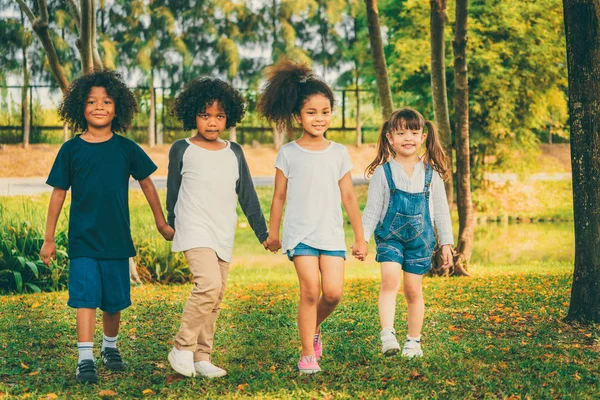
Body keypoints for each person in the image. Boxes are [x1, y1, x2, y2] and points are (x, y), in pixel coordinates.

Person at [40, 70, 174, 384]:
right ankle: (85, 358)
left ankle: (109, 347)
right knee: (85, 298)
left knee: (113, 302)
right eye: (91, 101)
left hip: (116, 241)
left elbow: (148, 185)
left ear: (117, 108)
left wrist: (161, 223)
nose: (99, 106)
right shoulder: (71, 150)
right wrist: (49, 238)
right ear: (79, 107)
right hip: (83, 241)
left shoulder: (126, 148)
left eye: (106, 101)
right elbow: (58, 193)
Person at [258, 59, 368, 374]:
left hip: (331, 234)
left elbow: (348, 196)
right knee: (310, 289)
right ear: (298, 116)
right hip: (300, 234)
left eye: (325, 112)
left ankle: (313, 327)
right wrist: (273, 232)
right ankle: (308, 354)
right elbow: (279, 196)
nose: (319, 118)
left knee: (332, 293)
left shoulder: (338, 152)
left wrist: (359, 238)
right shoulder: (289, 153)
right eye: (311, 112)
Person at [166, 77, 276, 379]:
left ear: (229, 118)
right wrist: (169, 222)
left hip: (222, 232)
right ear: (193, 115)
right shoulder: (182, 149)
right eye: (205, 115)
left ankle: (202, 356)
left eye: (219, 116)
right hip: (193, 229)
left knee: (216, 296)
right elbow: (173, 192)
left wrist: (263, 234)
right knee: (208, 286)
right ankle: (182, 346)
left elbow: (248, 196)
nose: (212, 122)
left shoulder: (234, 152)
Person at [362, 107, 453, 358]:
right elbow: (371, 210)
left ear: (423, 137)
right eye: (401, 133)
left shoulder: (431, 175)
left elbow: (442, 212)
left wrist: (446, 244)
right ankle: (387, 335)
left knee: (413, 290)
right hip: (390, 237)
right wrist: (363, 238)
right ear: (390, 138)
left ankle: (414, 341)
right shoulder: (383, 172)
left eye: (414, 132)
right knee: (390, 280)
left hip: (420, 241)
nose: (408, 138)